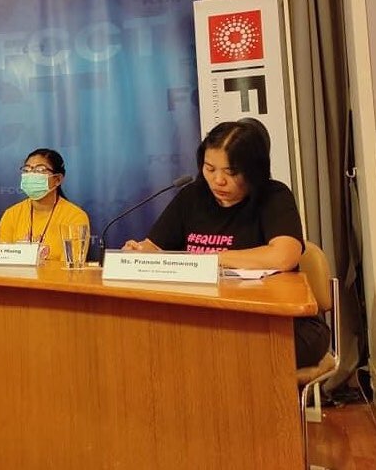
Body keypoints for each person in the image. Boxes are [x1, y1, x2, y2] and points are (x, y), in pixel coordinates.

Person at [122, 121, 330, 368]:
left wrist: (212, 259)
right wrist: (138, 253)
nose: (218, 180)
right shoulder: (192, 197)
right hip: (209, 319)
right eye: (210, 169)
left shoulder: (273, 196)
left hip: (280, 322)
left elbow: (284, 255)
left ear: (253, 171)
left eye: (231, 172)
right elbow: (155, 247)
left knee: (225, 353)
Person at [0, 148, 89, 261]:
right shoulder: (11, 214)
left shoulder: (75, 216)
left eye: (40, 170)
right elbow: (3, 260)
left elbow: (71, 265)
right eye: (27, 170)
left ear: (58, 179)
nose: (31, 175)